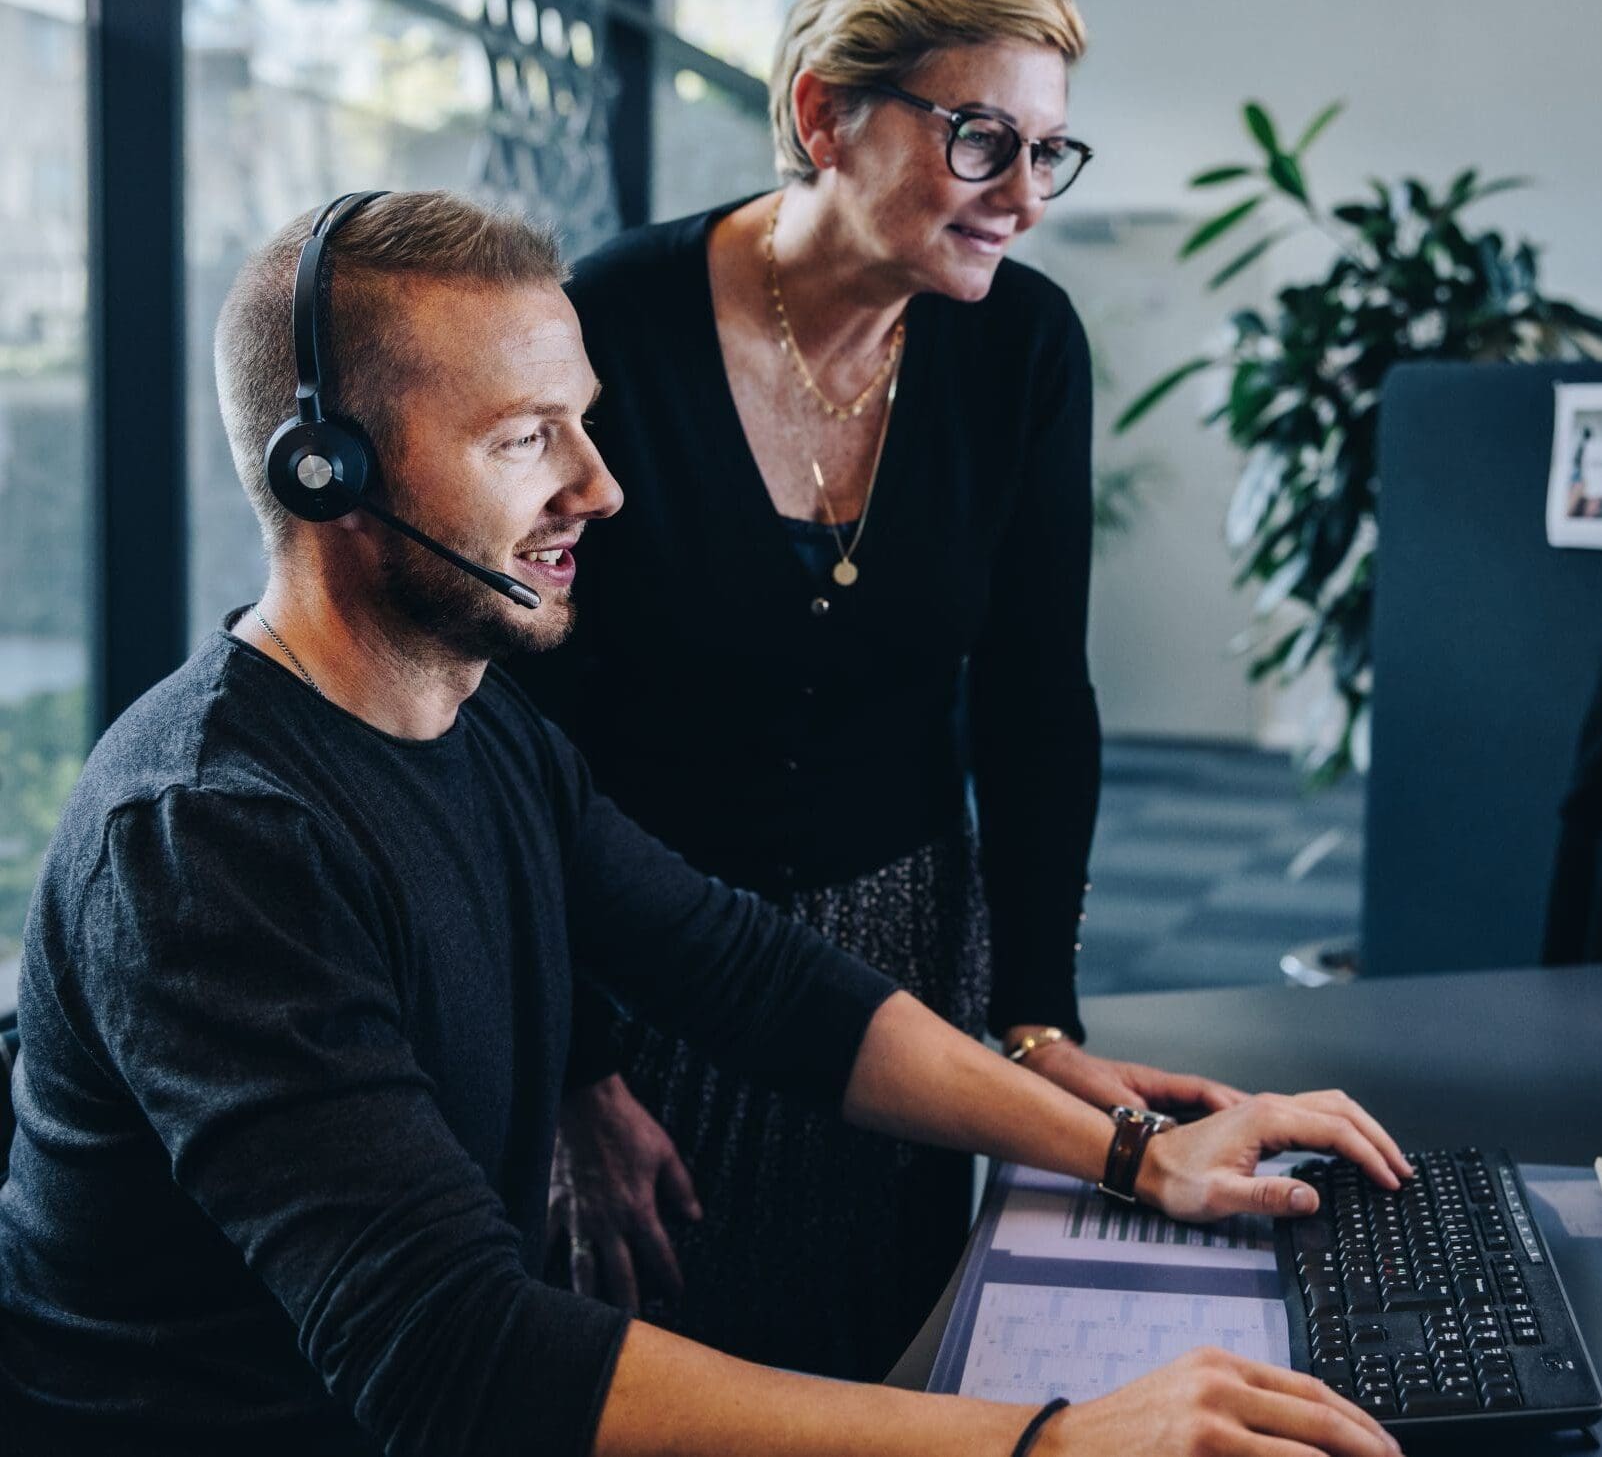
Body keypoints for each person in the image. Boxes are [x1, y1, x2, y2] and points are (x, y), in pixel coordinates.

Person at [0, 190, 1410, 1457]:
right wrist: (1048, 1441)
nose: (598, 487)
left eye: (584, 420)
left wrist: (1126, 1149)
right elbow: (453, 1354)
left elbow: (756, 979)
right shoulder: (210, 837)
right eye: (522, 438)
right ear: (331, 477)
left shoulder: (471, 717)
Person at [511, 0, 1239, 1375]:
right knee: (651, 1358)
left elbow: (1036, 703)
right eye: (983, 140)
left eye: (1048, 150)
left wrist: (1033, 1017)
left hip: (907, 953)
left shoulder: (1019, 342)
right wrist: (571, 1068)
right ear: (820, 113)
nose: (1023, 197)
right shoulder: (611, 324)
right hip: (642, 968)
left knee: (884, 1346)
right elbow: (527, 732)